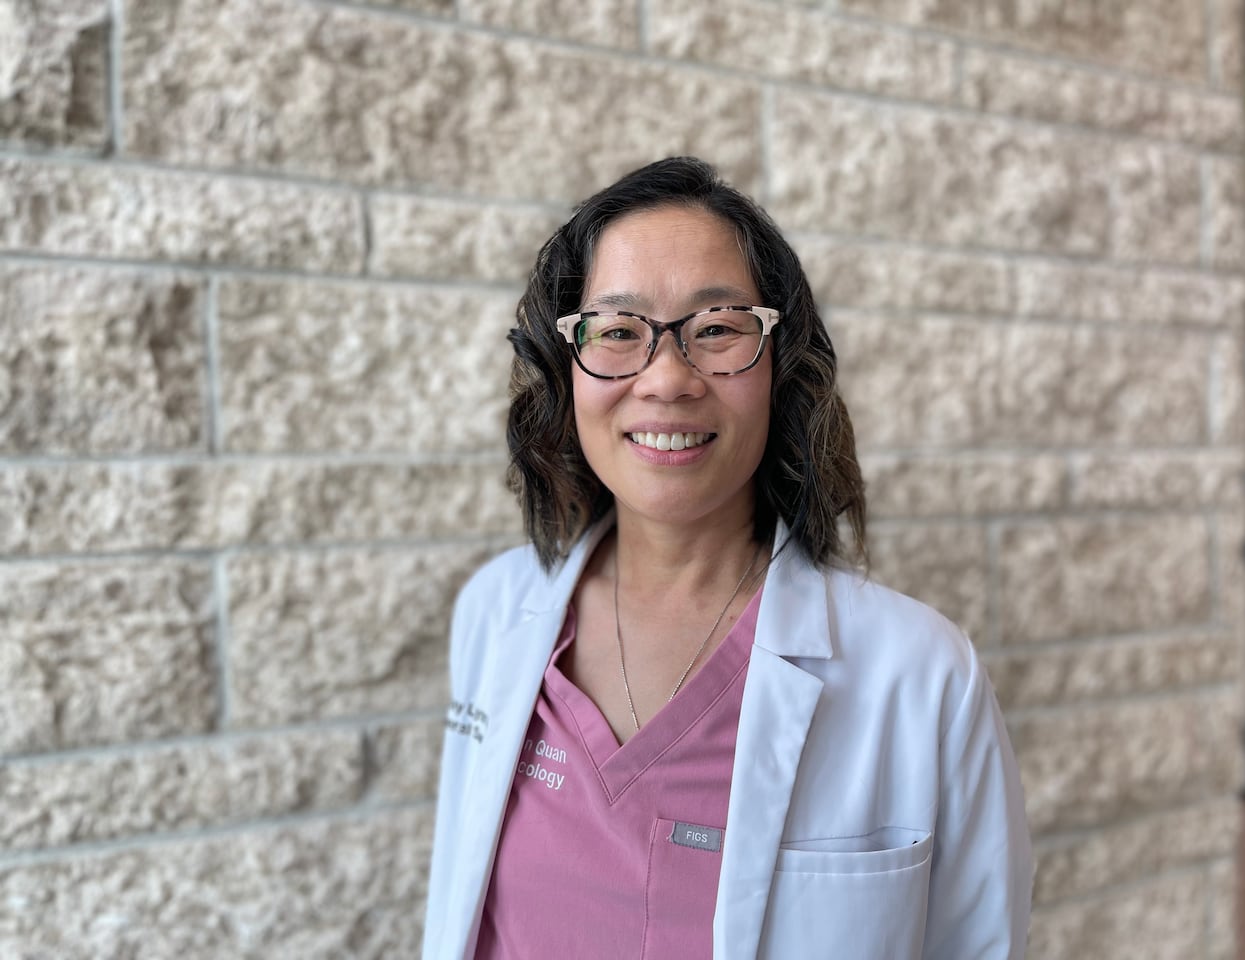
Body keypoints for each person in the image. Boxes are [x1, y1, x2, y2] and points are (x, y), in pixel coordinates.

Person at [422, 157, 1033, 960]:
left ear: (782, 366)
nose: (667, 379)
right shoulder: (494, 612)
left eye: (716, 328)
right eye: (618, 330)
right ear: (563, 366)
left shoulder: (921, 674)